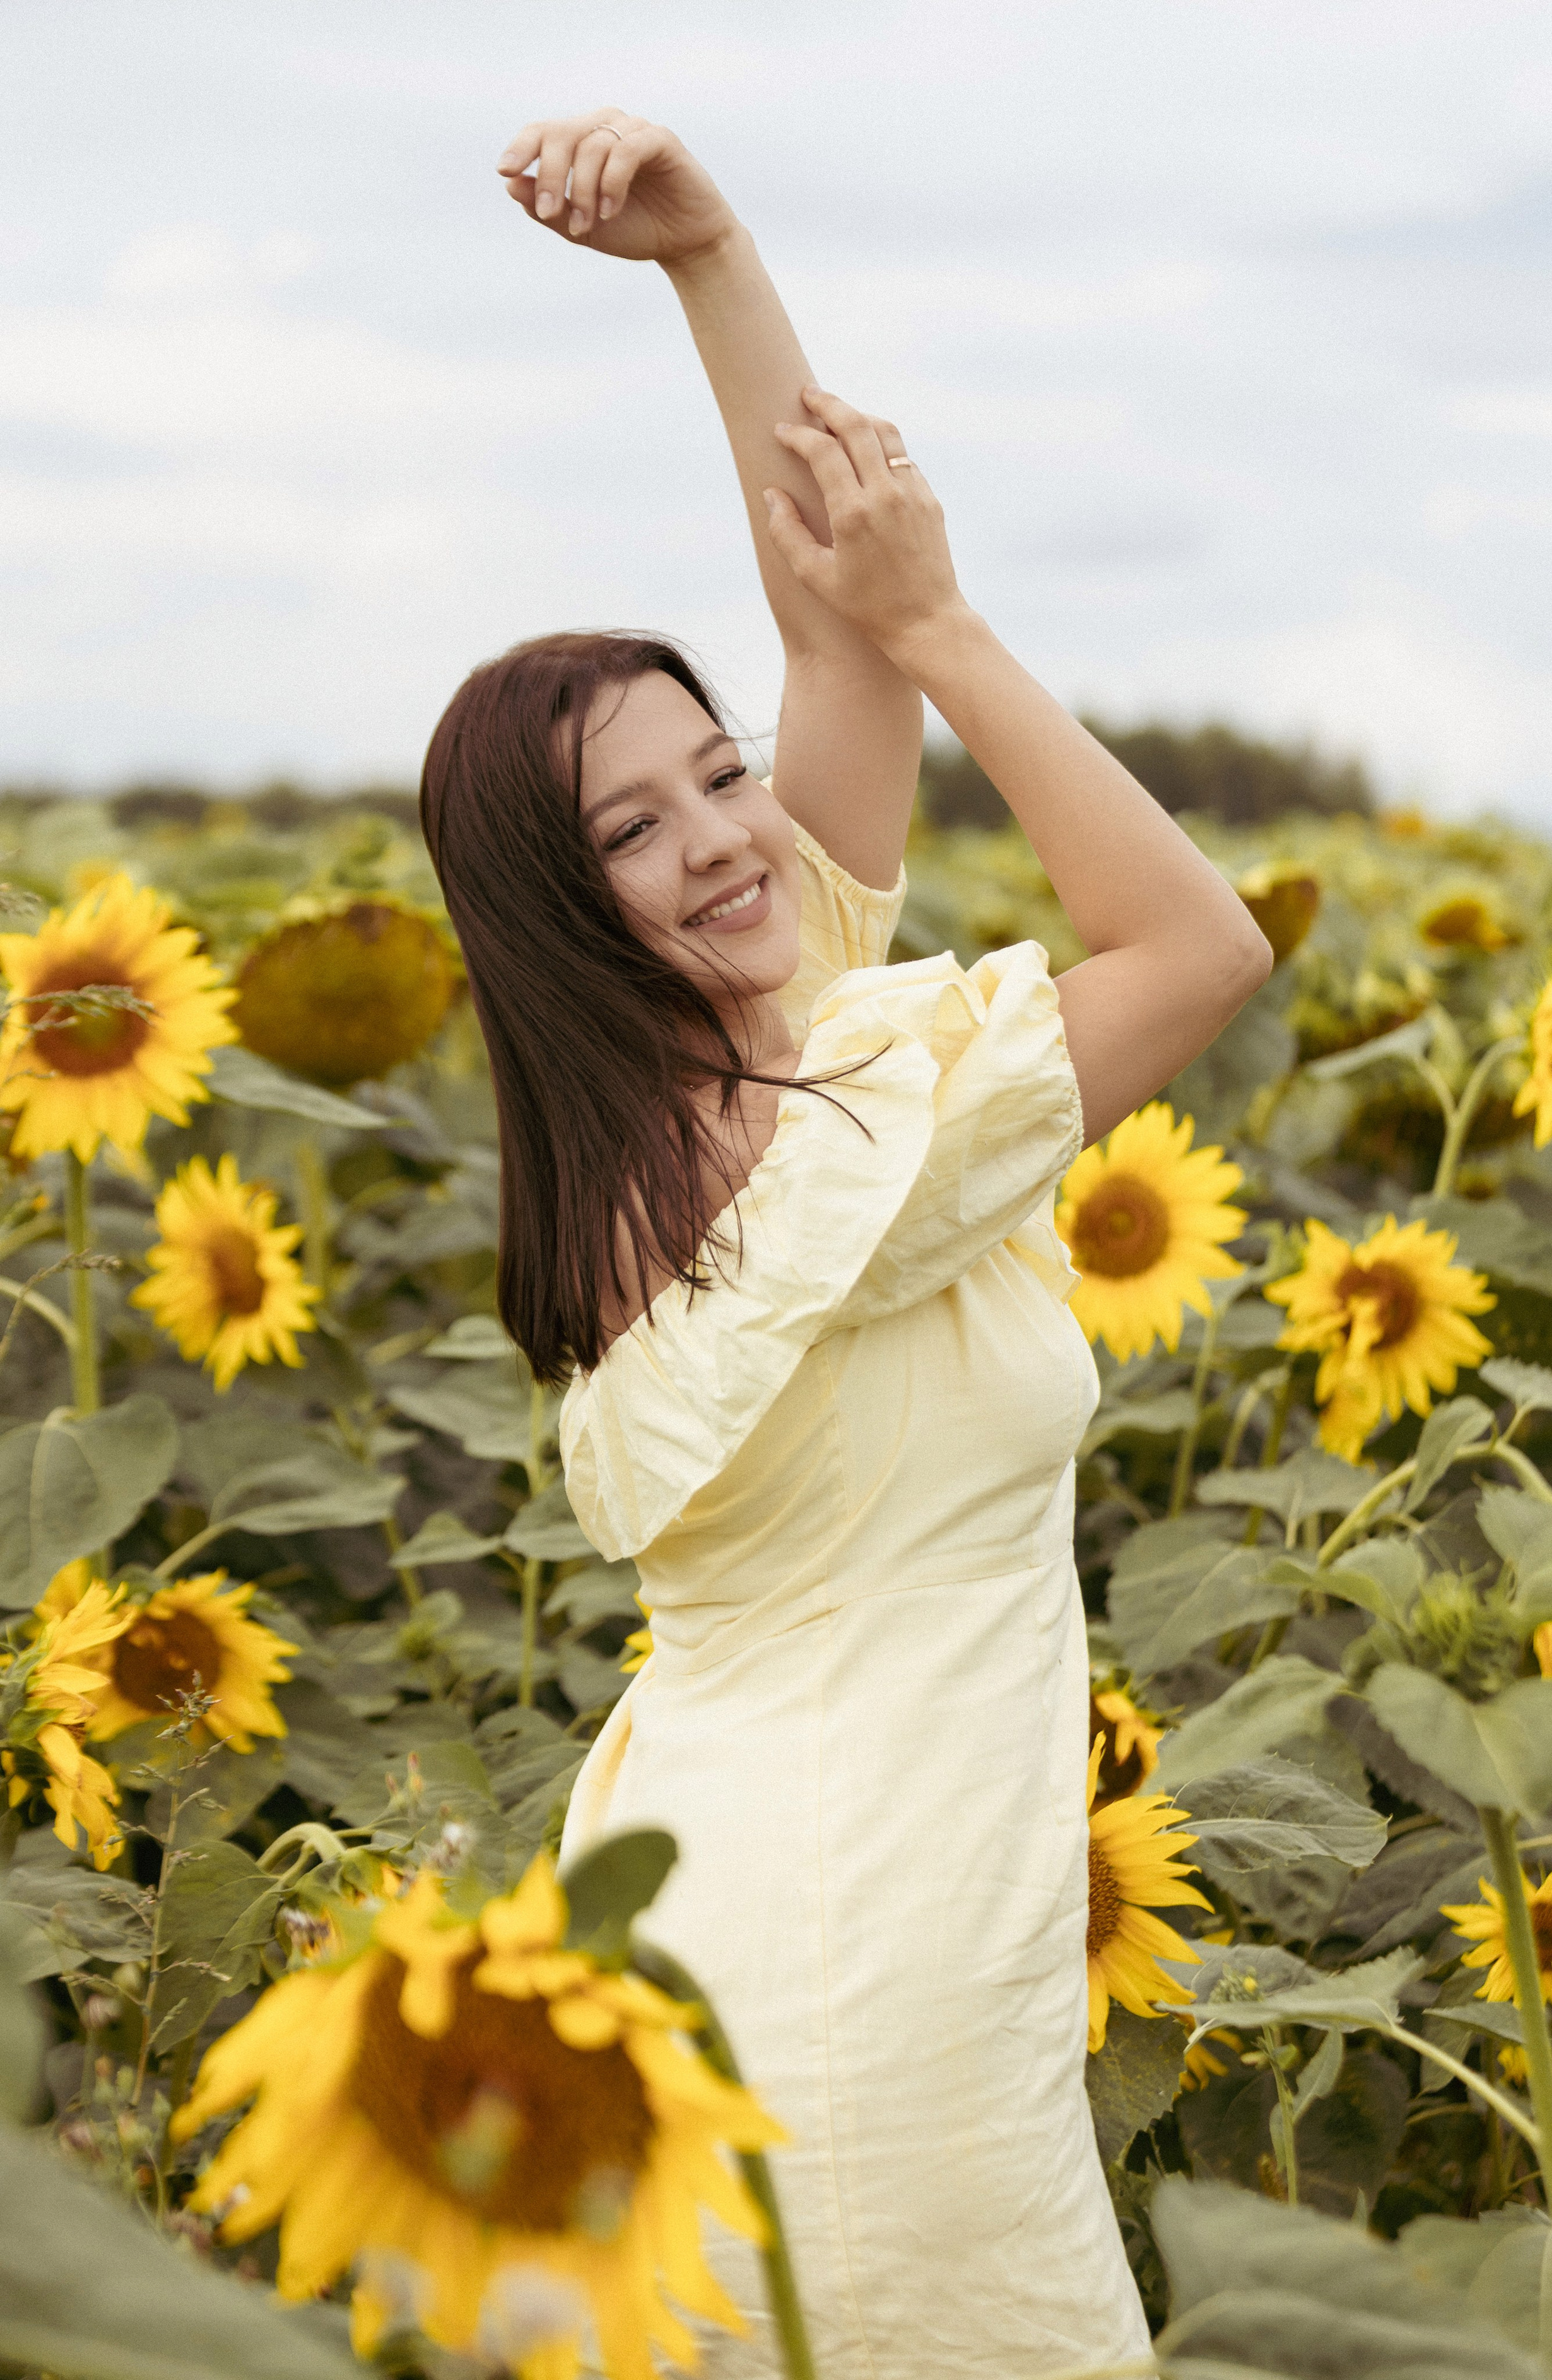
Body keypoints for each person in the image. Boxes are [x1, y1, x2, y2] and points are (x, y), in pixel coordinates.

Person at [420, 105, 1273, 2380]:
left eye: (721, 772)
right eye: (637, 824)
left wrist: (711, 257)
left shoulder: (744, 1075)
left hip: (851, 1907)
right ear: (549, 905)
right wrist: (951, 619)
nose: (728, 836)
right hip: (843, 1959)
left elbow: (830, 652)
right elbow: (1193, 945)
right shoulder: (793, 1156)